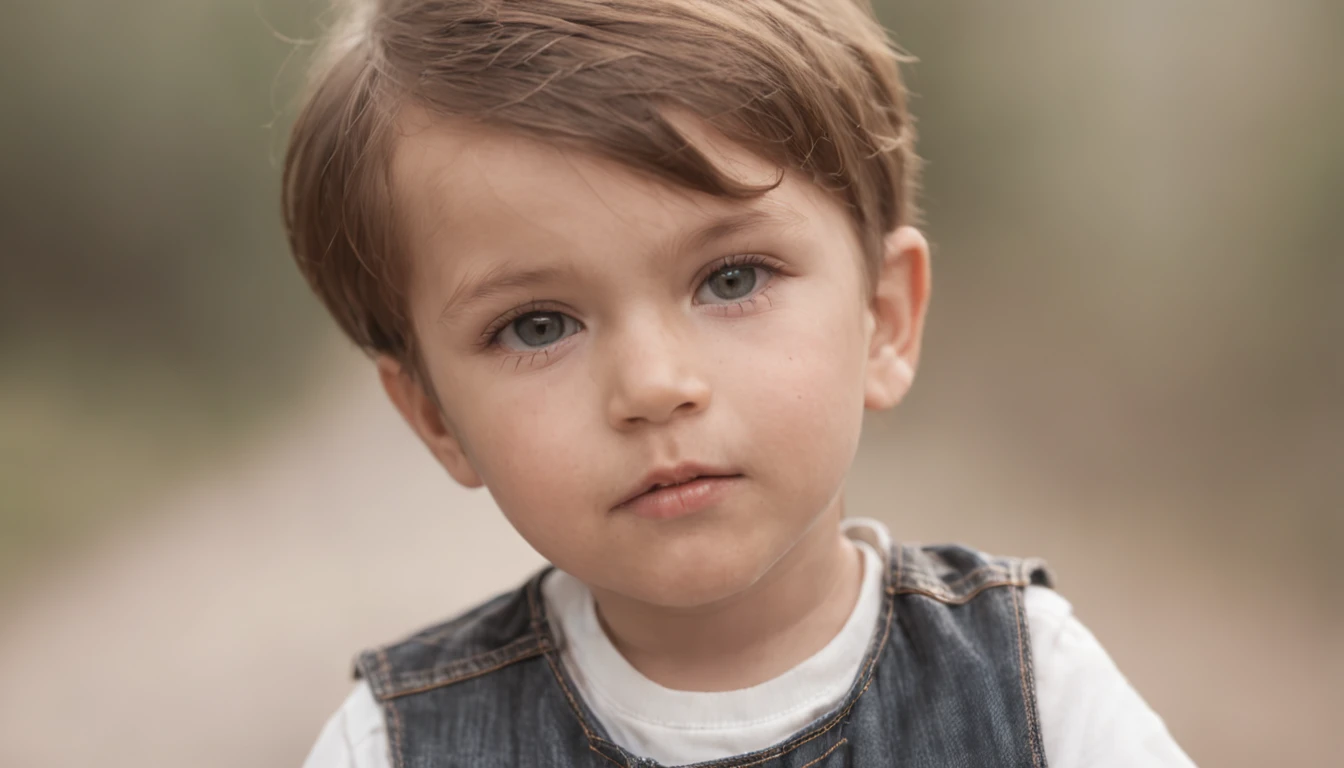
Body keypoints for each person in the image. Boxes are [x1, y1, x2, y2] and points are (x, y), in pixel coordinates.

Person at [285, 1, 1195, 765]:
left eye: (732, 279)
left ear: (883, 318)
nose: (653, 385)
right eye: (539, 325)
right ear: (436, 418)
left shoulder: (1032, 690)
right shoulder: (395, 746)